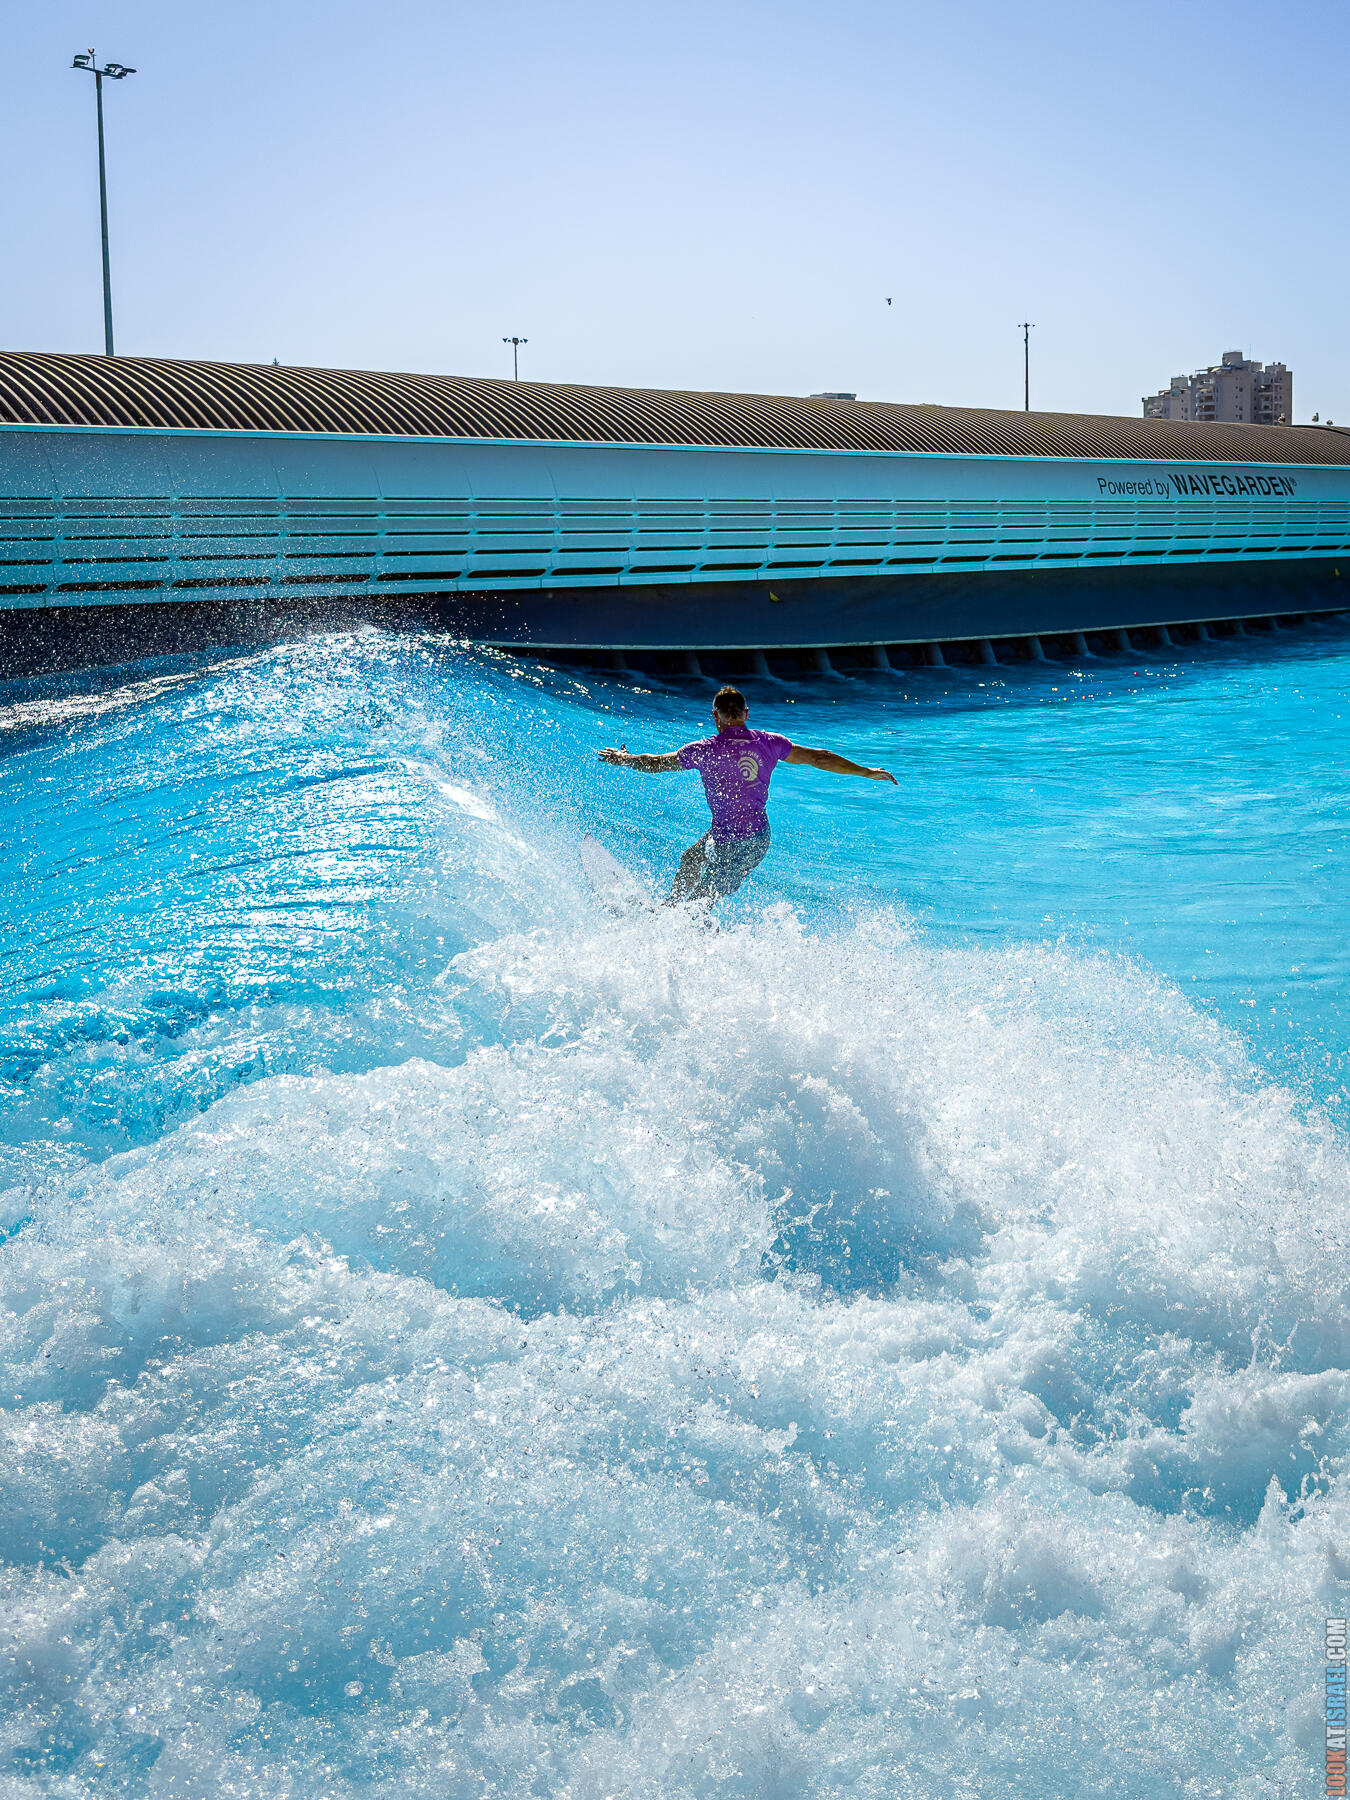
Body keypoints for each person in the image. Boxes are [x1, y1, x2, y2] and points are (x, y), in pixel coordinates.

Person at [598, 685, 897, 904]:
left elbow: (656, 764)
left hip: (733, 842)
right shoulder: (769, 743)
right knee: (692, 859)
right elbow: (820, 757)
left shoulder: (704, 751)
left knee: (700, 897)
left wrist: (624, 759)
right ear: (746, 714)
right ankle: (671, 910)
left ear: (715, 716)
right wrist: (866, 771)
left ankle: (684, 927)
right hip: (755, 840)